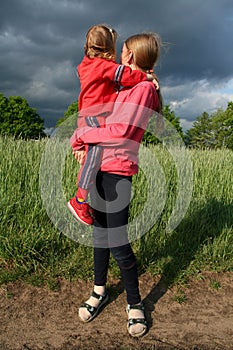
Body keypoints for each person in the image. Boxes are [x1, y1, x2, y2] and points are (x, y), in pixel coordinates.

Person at [70, 32, 163, 337]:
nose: (120, 54)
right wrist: (77, 138)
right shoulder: (124, 84)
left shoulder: (145, 89)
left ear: (133, 55)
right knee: (99, 235)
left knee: (118, 240)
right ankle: (100, 291)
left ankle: (134, 303)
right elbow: (94, 117)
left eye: (124, 51)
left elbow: (121, 130)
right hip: (96, 166)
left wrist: (84, 137)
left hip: (117, 172)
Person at [67, 24, 158, 226]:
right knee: (93, 158)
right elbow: (126, 76)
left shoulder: (87, 64)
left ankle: (80, 197)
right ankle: (79, 200)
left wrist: (80, 141)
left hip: (94, 122)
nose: (119, 54)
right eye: (117, 48)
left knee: (91, 155)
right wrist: (148, 76)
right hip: (95, 116)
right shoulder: (106, 68)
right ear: (109, 48)